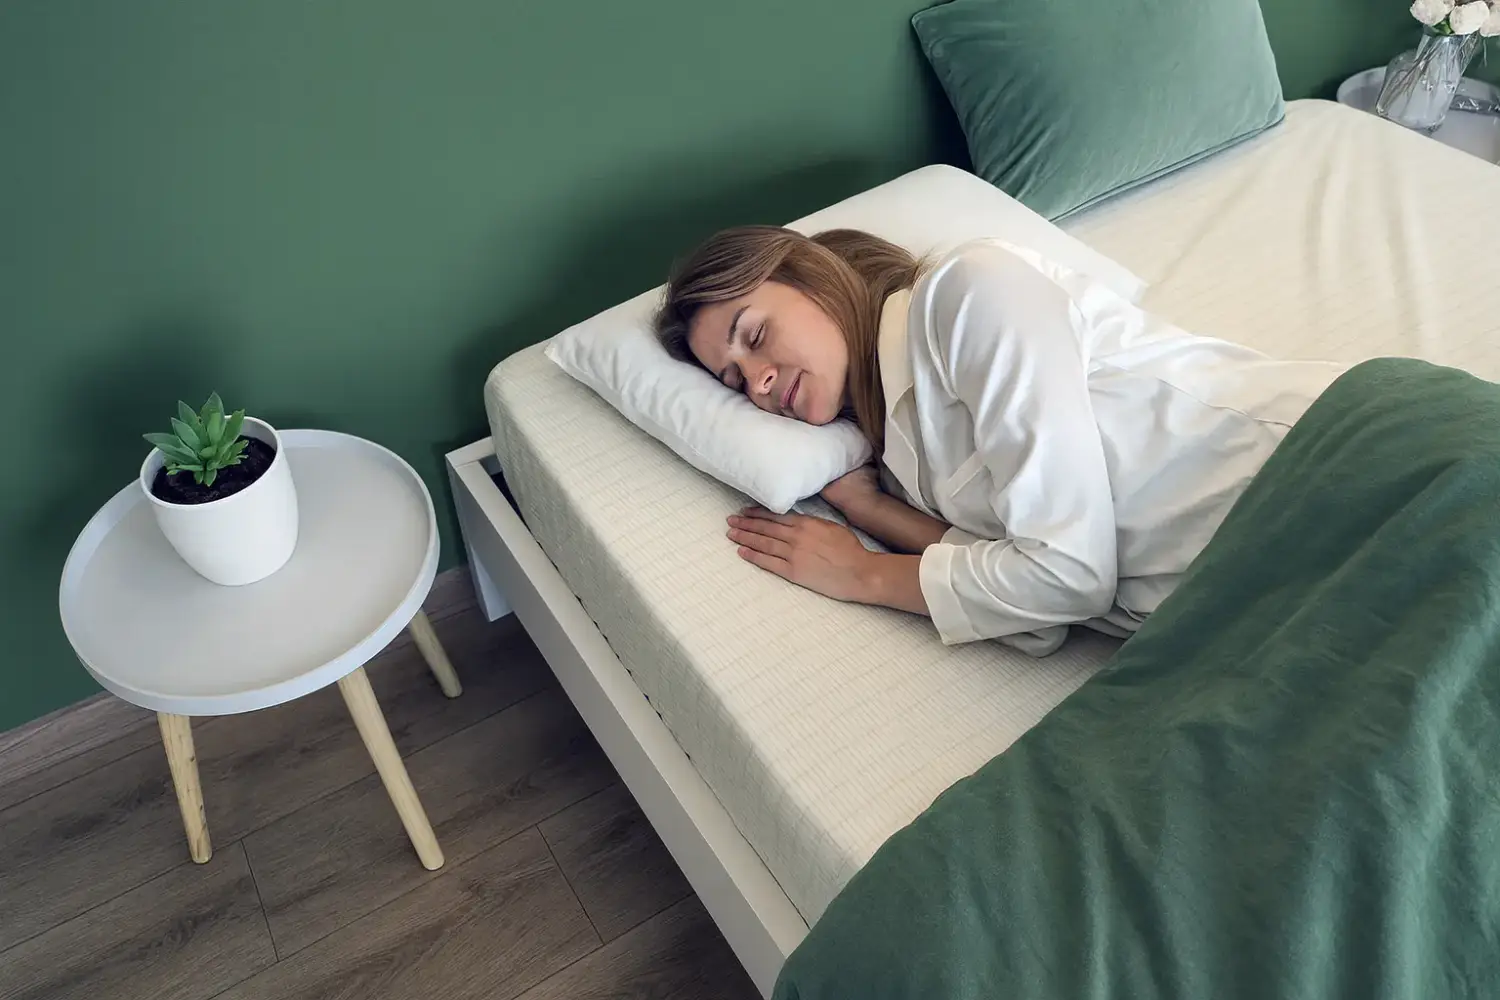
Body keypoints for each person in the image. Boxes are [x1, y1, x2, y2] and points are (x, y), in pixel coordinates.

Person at [654, 226, 1346, 654]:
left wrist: (863, 574)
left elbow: (1068, 580)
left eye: (755, 335)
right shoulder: (899, 459)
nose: (759, 380)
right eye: (735, 379)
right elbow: (1035, 621)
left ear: (814, 279)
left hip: (1329, 476)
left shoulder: (965, 296)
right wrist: (872, 512)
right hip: (1269, 615)